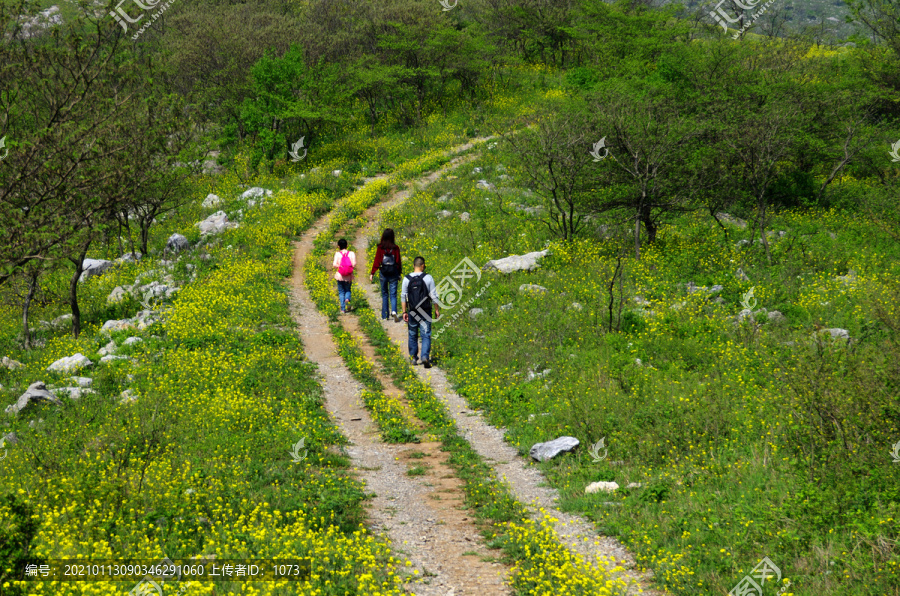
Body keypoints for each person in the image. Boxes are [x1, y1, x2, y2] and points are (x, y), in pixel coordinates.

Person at [401, 256, 440, 368]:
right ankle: (425, 357)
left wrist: (404, 312)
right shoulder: (428, 278)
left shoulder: (407, 279)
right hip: (425, 311)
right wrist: (437, 310)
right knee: (426, 334)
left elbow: (403, 296)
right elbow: (434, 296)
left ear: (414, 266)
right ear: (423, 266)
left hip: (412, 311)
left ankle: (413, 357)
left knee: (412, 334)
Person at [369, 228, 403, 322]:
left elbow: (377, 261)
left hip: (383, 273)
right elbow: (398, 262)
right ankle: (394, 311)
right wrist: (399, 273)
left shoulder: (380, 247)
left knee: (384, 294)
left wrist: (372, 273)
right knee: (393, 294)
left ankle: (385, 315)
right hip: (393, 273)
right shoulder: (395, 248)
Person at [332, 238, 356, 314]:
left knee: (341, 292)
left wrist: (340, 266)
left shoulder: (337, 254)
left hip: (340, 276)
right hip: (348, 276)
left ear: (338, 246)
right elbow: (354, 264)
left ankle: (343, 309)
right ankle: (347, 299)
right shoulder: (351, 253)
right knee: (348, 290)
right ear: (347, 245)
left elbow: (334, 265)